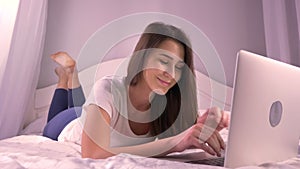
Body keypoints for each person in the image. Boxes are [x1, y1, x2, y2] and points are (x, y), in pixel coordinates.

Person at [43, 22, 229, 159]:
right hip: (67, 125)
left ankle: (70, 75)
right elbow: (92, 153)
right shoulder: (108, 88)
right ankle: (66, 77)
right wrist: (174, 144)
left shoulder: (170, 105)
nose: (171, 74)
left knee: (83, 105)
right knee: (56, 118)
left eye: (179, 67)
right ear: (142, 57)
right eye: (164, 61)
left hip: (92, 111)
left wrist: (211, 120)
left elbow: (192, 128)